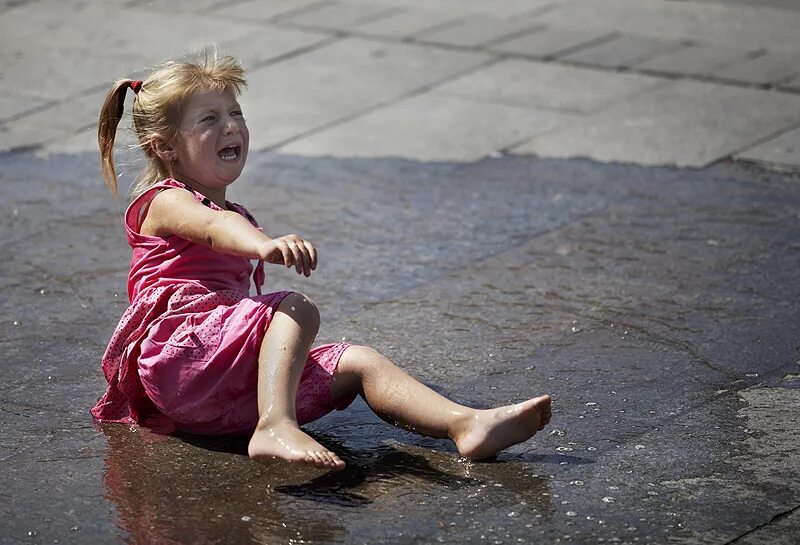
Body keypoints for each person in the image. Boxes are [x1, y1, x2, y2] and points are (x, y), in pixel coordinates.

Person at [91, 50, 552, 471]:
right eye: (209, 119)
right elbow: (213, 228)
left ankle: (465, 425)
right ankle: (275, 424)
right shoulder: (164, 201)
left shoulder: (235, 214)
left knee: (357, 362)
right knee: (293, 307)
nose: (231, 126)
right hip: (180, 356)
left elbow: (226, 225)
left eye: (236, 113)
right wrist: (261, 244)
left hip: (217, 393)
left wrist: (253, 238)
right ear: (165, 147)